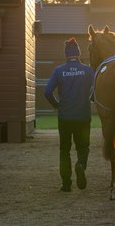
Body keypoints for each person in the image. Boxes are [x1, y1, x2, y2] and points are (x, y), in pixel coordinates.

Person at [44, 37, 94, 192]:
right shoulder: (88, 71)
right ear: (78, 54)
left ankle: (66, 184)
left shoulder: (59, 71)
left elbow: (47, 92)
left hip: (65, 117)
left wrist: (57, 105)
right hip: (83, 116)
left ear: (66, 54)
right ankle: (80, 165)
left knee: (64, 150)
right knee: (83, 147)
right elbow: (96, 91)